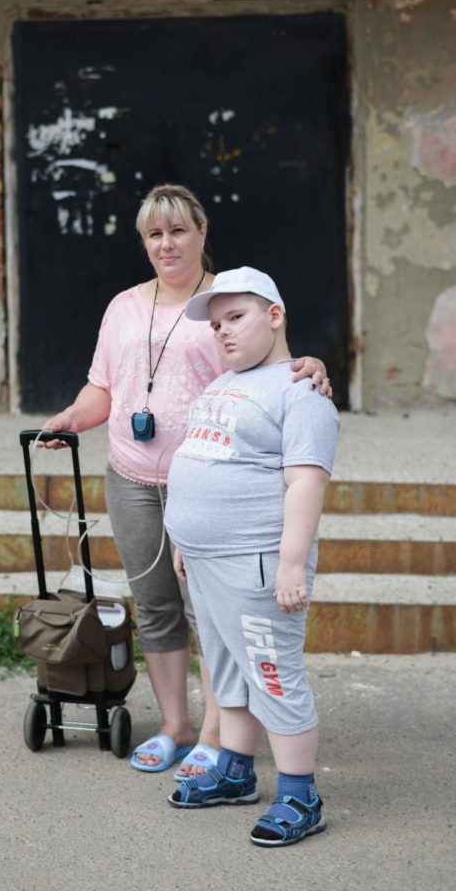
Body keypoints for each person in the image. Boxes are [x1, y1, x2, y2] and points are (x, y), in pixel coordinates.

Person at [42, 184, 332, 777]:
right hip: (130, 476)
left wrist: (314, 365)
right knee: (154, 605)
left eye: (178, 230)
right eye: (155, 234)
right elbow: (103, 386)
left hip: (207, 481)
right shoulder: (123, 307)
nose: (166, 244)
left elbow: (271, 363)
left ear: (202, 232)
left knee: (211, 613)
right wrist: (72, 417)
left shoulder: (225, 302)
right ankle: (175, 725)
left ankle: (216, 734)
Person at [164, 266, 339, 848]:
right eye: (216, 325)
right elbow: (202, 460)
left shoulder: (301, 392)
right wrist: (185, 538)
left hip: (257, 561)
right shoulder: (222, 385)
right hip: (205, 560)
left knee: (271, 672)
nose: (223, 332)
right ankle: (236, 772)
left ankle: (300, 795)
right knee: (229, 672)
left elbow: (306, 483)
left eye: (235, 318)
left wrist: (291, 563)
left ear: (275, 315)